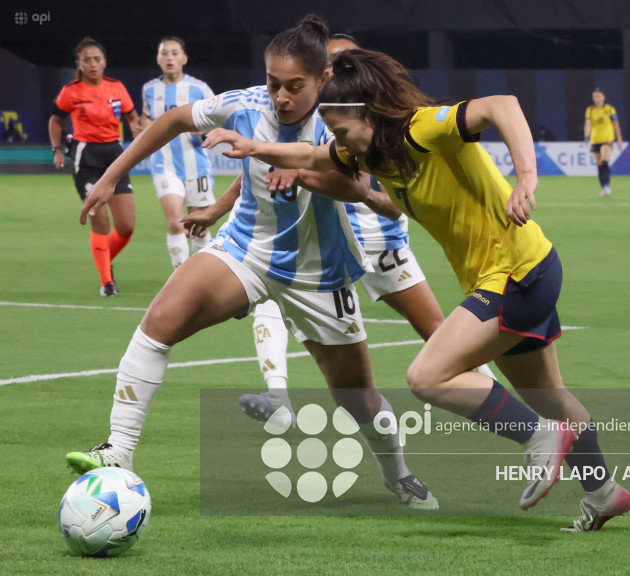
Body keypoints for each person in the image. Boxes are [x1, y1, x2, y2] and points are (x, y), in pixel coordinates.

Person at [203, 49, 630, 529]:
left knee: (427, 376)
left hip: (516, 271)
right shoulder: (372, 151)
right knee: (550, 395)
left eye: (342, 130)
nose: (338, 142)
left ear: (366, 114)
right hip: (520, 271)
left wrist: (526, 178)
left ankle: (538, 438)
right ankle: (602, 491)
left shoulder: (422, 128)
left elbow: (503, 105)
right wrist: (253, 147)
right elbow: (315, 156)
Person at [66, 16, 439, 510]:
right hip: (245, 250)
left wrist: (302, 170)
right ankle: (119, 451)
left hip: (320, 273)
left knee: (359, 400)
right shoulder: (245, 104)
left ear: (323, 80)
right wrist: (113, 175)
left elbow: (360, 190)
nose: (280, 96)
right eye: (273, 83)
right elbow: (173, 120)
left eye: (294, 86)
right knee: (159, 322)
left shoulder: (345, 117)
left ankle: (399, 476)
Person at [219, 32, 495, 424]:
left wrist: (340, 187)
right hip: (321, 245)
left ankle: (490, 401)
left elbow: (381, 201)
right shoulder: (305, 116)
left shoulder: (373, 123)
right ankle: (278, 395)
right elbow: (259, 169)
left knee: (433, 326)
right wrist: (217, 209)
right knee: (270, 301)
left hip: (378, 239)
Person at [48, 37, 141, 296]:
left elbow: (133, 117)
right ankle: (107, 283)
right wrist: (57, 149)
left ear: (105, 62)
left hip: (115, 156)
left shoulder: (117, 88)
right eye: (86, 59)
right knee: (100, 221)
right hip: (86, 158)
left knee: (126, 227)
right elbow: (56, 120)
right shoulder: (71, 91)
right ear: (78, 63)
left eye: (97, 59)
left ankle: (103, 259)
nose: (92, 64)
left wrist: (137, 128)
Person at [141, 36, 216, 270]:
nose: (169, 58)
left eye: (174, 53)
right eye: (164, 53)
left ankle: (203, 276)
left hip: (196, 165)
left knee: (199, 225)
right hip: (164, 165)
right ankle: (180, 277)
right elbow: (145, 117)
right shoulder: (150, 89)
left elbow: (218, 115)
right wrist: (144, 127)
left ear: (184, 58)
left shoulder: (199, 88)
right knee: (175, 223)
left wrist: (204, 128)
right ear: (158, 59)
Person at [583, 87, 623, 197]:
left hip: (607, 139)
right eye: (594, 97)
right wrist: (586, 136)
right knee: (599, 164)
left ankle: (607, 185)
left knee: (605, 160)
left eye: (598, 96)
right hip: (595, 140)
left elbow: (616, 124)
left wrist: (619, 138)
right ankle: (603, 187)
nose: (596, 99)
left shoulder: (609, 109)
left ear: (603, 97)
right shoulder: (590, 110)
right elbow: (587, 124)